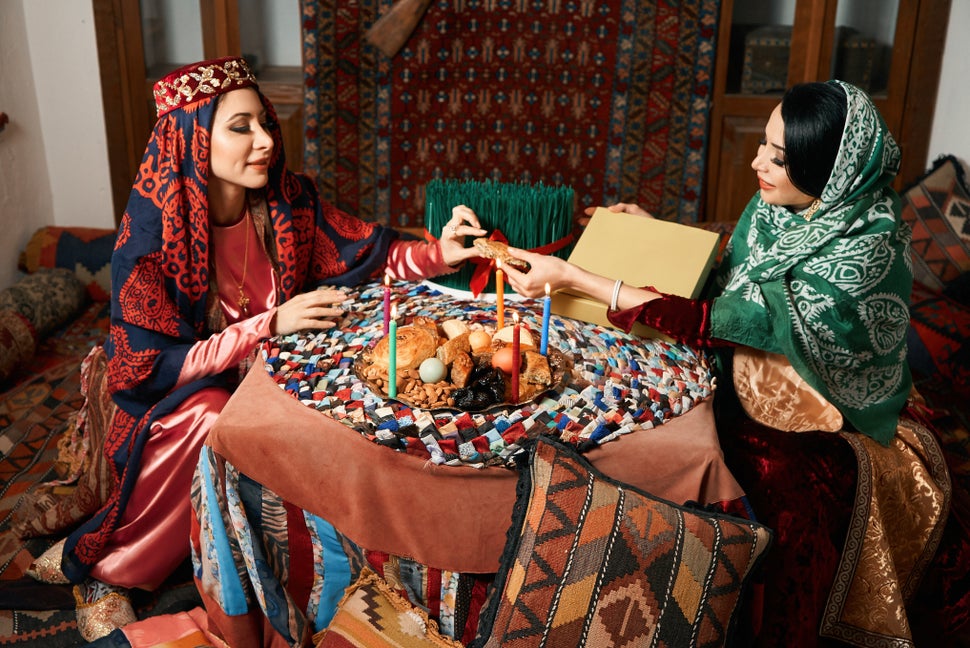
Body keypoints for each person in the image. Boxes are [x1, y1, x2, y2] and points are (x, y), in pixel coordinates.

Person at [25, 56, 486, 641]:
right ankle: (111, 570)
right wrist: (267, 325)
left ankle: (300, 563)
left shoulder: (286, 206)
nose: (266, 140)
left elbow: (367, 255)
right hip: (173, 401)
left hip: (269, 377)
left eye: (264, 122)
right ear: (194, 139)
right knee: (212, 413)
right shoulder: (146, 244)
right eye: (240, 127)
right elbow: (150, 371)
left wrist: (440, 254)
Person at [504, 79, 912, 446]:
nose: (758, 163)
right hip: (740, 342)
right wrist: (661, 233)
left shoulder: (861, 253)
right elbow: (737, 276)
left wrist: (571, 277)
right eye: (763, 144)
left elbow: (714, 321)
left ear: (830, 173)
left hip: (807, 391)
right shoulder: (788, 203)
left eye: (780, 159)